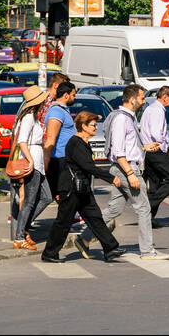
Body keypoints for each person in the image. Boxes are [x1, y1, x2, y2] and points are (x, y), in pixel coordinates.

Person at [39, 111, 123, 264]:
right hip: (71, 189)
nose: (96, 128)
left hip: (82, 188)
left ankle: (110, 249)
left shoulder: (83, 143)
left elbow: (87, 167)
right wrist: (110, 178)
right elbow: (88, 166)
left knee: (95, 218)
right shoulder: (75, 142)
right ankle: (49, 253)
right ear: (83, 126)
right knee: (63, 222)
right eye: (92, 125)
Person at [103, 84, 169, 261]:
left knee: (114, 209)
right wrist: (131, 174)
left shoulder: (126, 117)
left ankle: (84, 238)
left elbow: (128, 144)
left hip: (124, 167)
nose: (143, 102)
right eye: (141, 98)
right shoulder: (122, 119)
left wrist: (144, 147)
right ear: (132, 100)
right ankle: (147, 251)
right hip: (127, 168)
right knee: (144, 208)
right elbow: (119, 151)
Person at [10, 85, 51, 250]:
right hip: (31, 163)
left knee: (46, 197)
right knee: (29, 201)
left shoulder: (33, 117)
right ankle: (20, 236)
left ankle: (23, 228)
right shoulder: (27, 118)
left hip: (37, 163)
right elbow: (22, 141)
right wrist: (30, 160)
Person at [140, 85, 169, 226]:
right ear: (164, 97)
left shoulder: (150, 108)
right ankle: (149, 205)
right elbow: (157, 133)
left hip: (149, 152)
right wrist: (163, 144)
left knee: (155, 183)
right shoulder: (157, 111)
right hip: (157, 150)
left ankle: (149, 219)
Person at [41, 72, 76, 202]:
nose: (75, 97)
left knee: (62, 193)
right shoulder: (56, 110)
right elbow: (51, 138)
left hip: (62, 157)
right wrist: (45, 161)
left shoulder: (61, 109)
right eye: (73, 95)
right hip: (59, 158)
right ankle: (24, 219)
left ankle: (66, 218)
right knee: (49, 196)